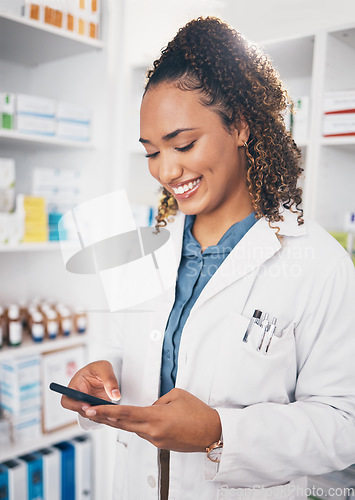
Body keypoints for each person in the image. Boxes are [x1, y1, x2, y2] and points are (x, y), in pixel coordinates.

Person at [61, 16, 355, 500]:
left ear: (240, 125)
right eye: (151, 152)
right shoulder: (145, 247)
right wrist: (99, 375)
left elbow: (344, 425)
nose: (167, 170)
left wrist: (220, 432)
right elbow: (125, 351)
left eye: (183, 144)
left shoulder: (320, 263)